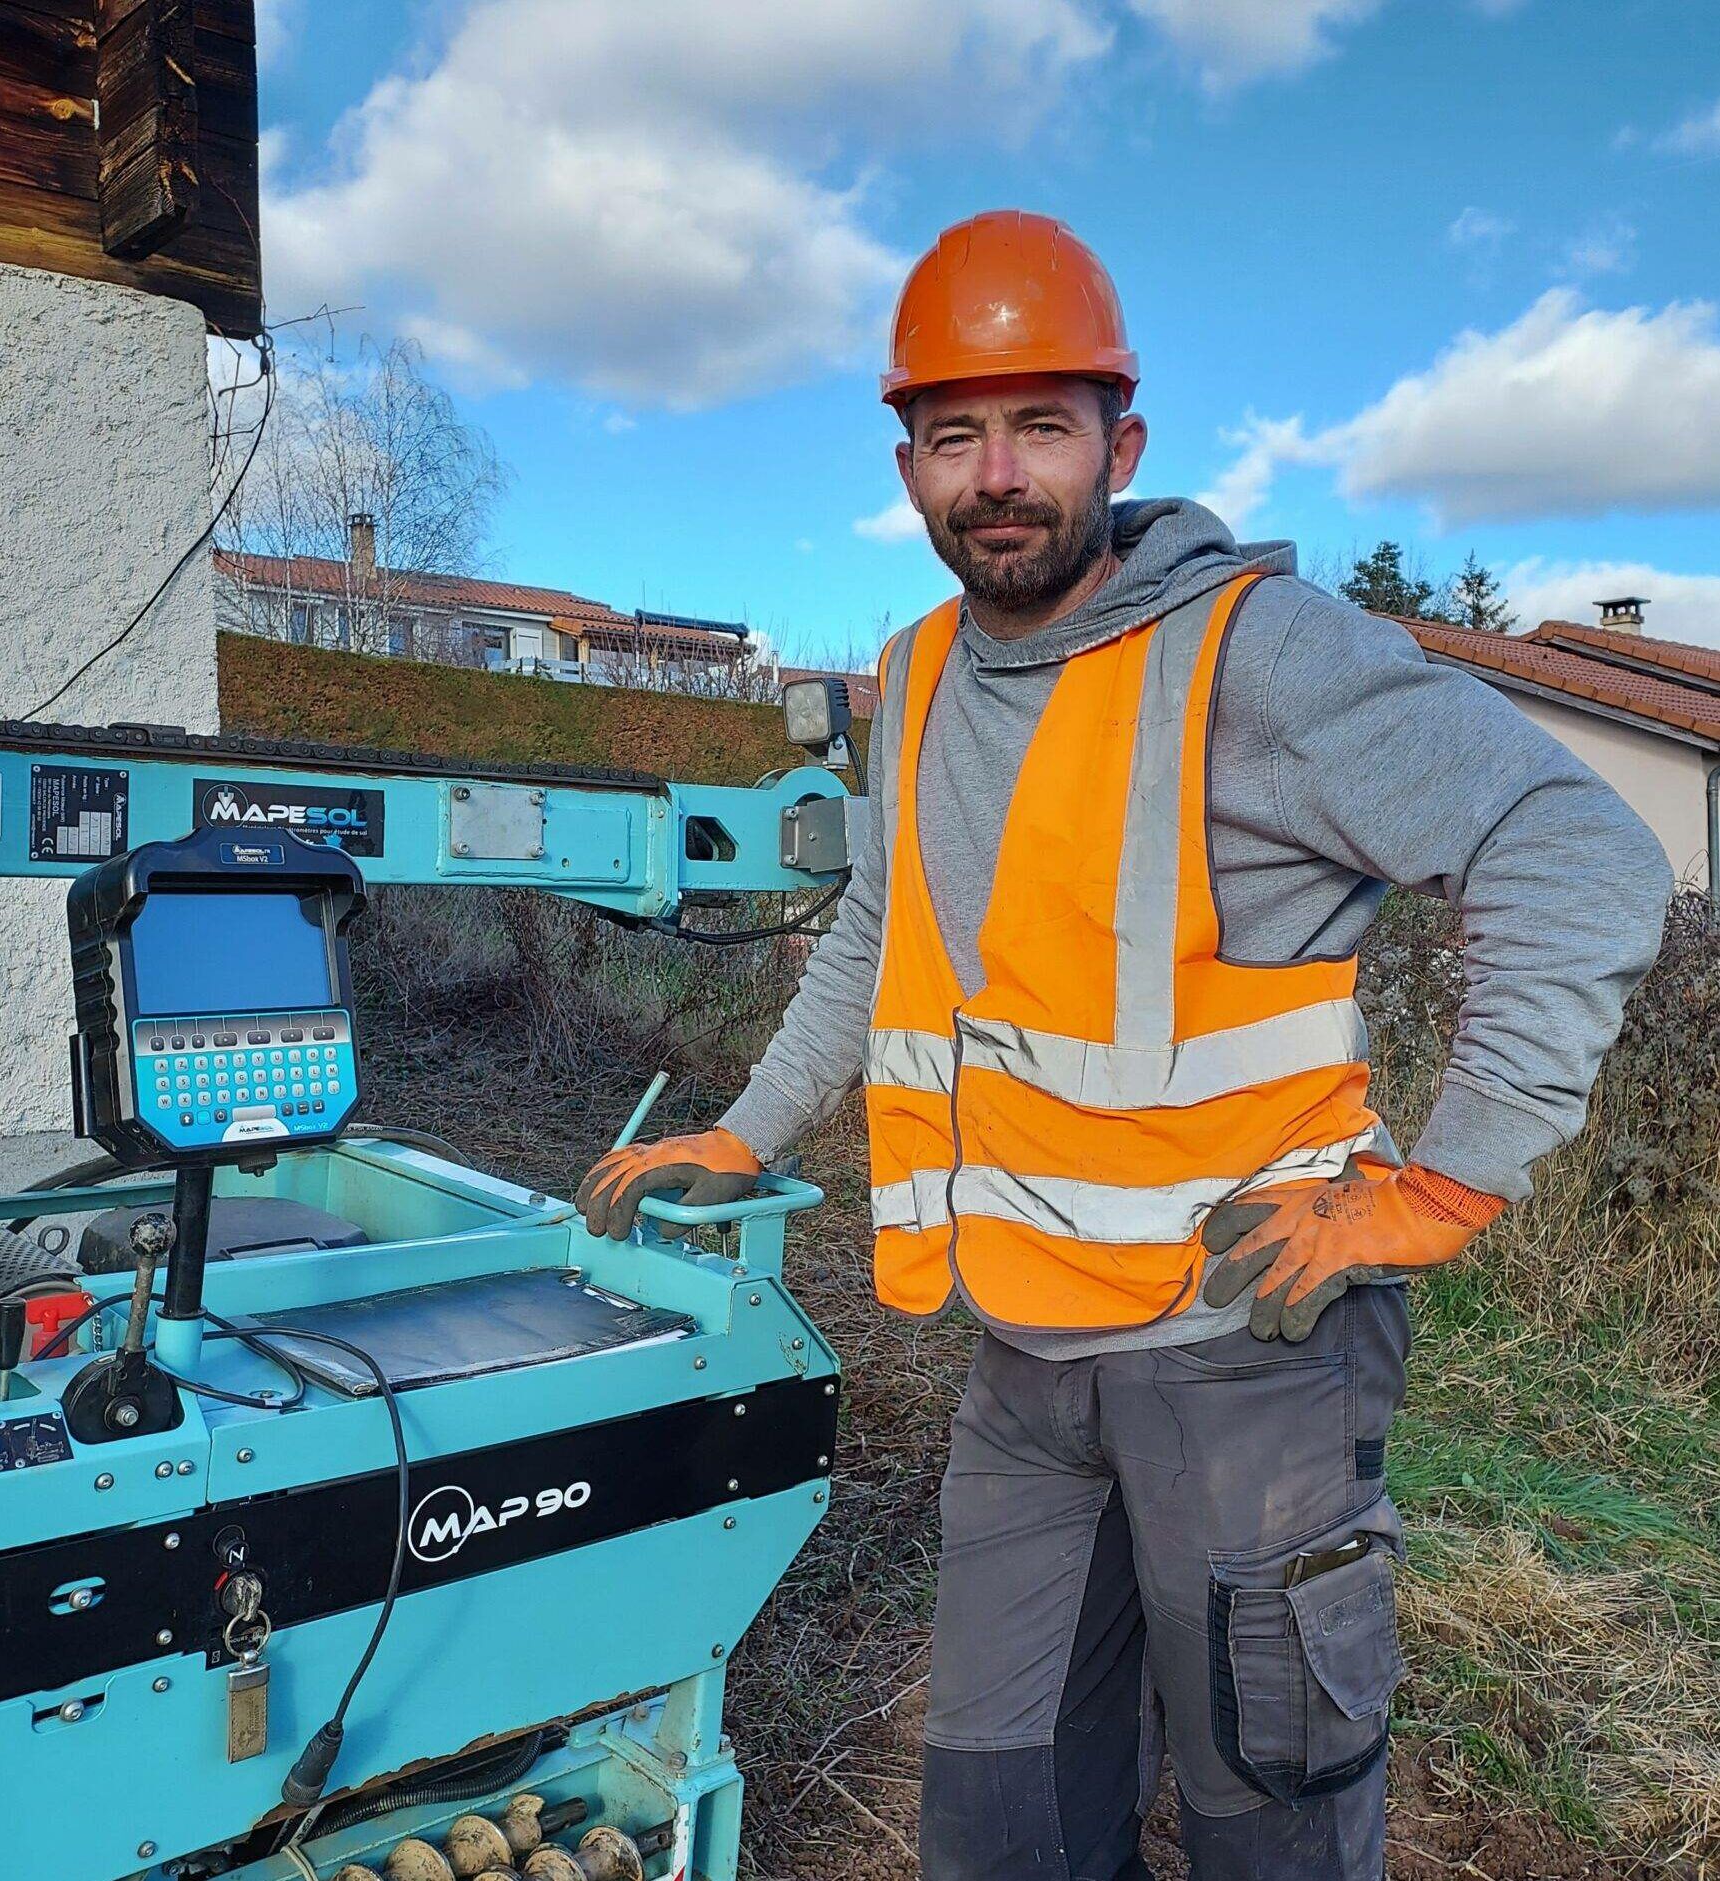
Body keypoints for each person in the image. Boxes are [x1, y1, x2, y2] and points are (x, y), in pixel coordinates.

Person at [575, 211, 1671, 1880]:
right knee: (1002, 1813)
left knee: (1266, 1819)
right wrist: (750, 1130)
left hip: (1245, 1354)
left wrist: (1445, 1184)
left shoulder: (1257, 653)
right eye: (955, 435)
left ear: (1119, 443)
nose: (995, 474)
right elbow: (881, 942)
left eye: (1039, 427)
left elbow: (1573, 848)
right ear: (908, 462)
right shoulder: (915, 671)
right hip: (1022, 1362)